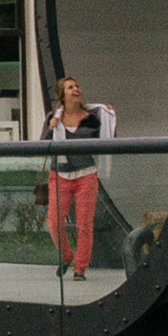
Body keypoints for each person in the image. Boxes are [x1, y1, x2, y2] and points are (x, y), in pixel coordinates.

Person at [39, 77, 114, 279]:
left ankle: (80, 268)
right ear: (62, 95)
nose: (76, 89)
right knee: (54, 222)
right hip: (60, 175)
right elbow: (42, 144)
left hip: (85, 175)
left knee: (84, 224)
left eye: (77, 86)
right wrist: (51, 127)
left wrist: (110, 117)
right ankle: (66, 255)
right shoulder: (53, 116)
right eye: (70, 87)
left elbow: (108, 139)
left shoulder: (92, 118)